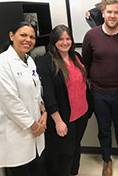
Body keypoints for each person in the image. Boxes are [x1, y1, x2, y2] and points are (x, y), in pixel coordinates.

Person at [82, 0, 118, 176]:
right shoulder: (91, 35)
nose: (113, 16)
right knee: (103, 128)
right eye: (109, 12)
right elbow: (86, 64)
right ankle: (107, 160)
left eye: (116, 12)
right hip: (98, 92)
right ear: (103, 14)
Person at [0, 21, 47, 176]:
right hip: (14, 132)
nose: (28, 39)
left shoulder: (29, 60)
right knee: (20, 171)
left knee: (35, 168)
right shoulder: (1, 64)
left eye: (32, 37)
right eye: (23, 35)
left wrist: (43, 110)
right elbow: (10, 102)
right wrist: (34, 126)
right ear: (11, 36)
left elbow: (36, 90)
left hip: (34, 129)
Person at [36, 25, 92, 176]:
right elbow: (48, 94)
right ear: (53, 41)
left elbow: (83, 84)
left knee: (76, 146)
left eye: (68, 39)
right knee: (64, 152)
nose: (65, 42)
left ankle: (74, 171)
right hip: (63, 117)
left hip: (82, 113)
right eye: (60, 39)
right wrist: (58, 121)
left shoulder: (76, 57)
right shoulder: (46, 62)